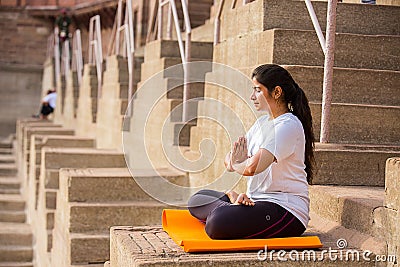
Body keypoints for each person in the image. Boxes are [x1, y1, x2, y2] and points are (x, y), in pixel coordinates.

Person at [188, 64, 315, 240]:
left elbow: (253, 167)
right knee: (197, 200)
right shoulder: (262, 123)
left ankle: (232, 206)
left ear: (277, 92)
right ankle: (233, 202)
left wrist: (238, 163)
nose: (252, 96)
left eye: (257, 90)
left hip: (286, 211)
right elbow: (230, 158)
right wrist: (236, 162)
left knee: (216, 223)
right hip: (257, 202)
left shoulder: (288, 126)